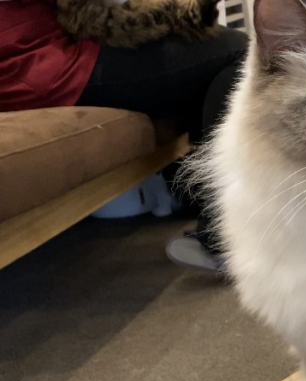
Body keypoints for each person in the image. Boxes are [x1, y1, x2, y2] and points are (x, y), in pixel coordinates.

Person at [0, 0, 248, 273]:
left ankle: (192, 199)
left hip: (27, 55)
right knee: (237, 51)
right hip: (36, 62)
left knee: (212, 53)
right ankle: (225, 239)